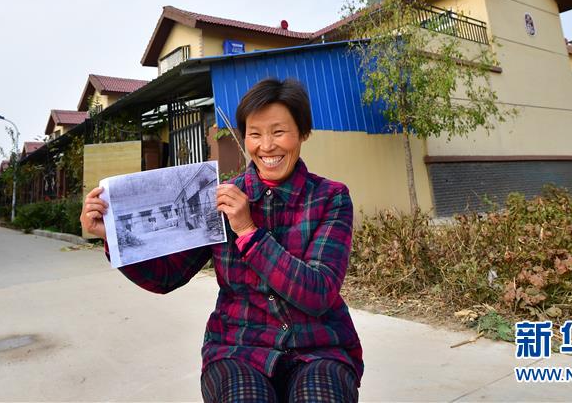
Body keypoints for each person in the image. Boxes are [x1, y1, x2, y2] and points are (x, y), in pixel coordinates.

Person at [82, 78, 362, 402]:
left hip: (319, 348)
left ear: (302, 133)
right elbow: (168, 275)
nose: (267, 146)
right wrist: (114, 236)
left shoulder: (330, 198)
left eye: (279, 132)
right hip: (238, 349)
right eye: (255, 134)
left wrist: (247, 231)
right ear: (244, 139)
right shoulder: (215, 197)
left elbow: (318, 293)